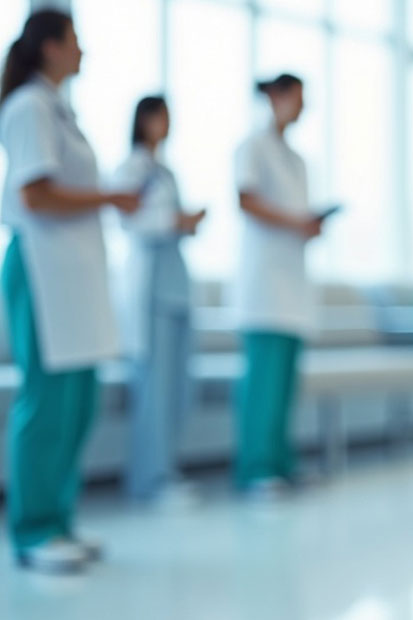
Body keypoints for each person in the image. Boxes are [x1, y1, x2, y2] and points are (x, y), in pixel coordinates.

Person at [0, 9, 139, 573]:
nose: (83, 51)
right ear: (51, 47)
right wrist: (110, 199)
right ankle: (33, 529)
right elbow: (35, 194)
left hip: (74, 274)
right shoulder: (29, 106)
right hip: (40, 266)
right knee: (48, 400)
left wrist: (105, 199)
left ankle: (58, 519)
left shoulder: (60, 109)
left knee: (79, 402)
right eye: (76, 40)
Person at [111, 95, 205, 506]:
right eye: (161, 116)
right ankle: (149, 478)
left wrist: (186, 224)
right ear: (144, 119)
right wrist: (173, 221)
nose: (167, 124)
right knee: (154, 385)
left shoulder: (166, 171)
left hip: (175, 281)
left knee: (176, 384)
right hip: (149, 285)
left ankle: (168, 469)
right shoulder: (130, 168)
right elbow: (127, 221)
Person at [232, 73, 321, 498]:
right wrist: (296, 221)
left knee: (284, 385)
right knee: (263, 385)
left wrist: (308, 226)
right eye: (298, 99)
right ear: (276, 97)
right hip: (263, 287)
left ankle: (280, 464)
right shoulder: (252, 146)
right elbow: (246, 200)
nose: (303, 107)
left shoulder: (297, 159)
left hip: (291, 286)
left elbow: (294, 215)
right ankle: (256, 469)